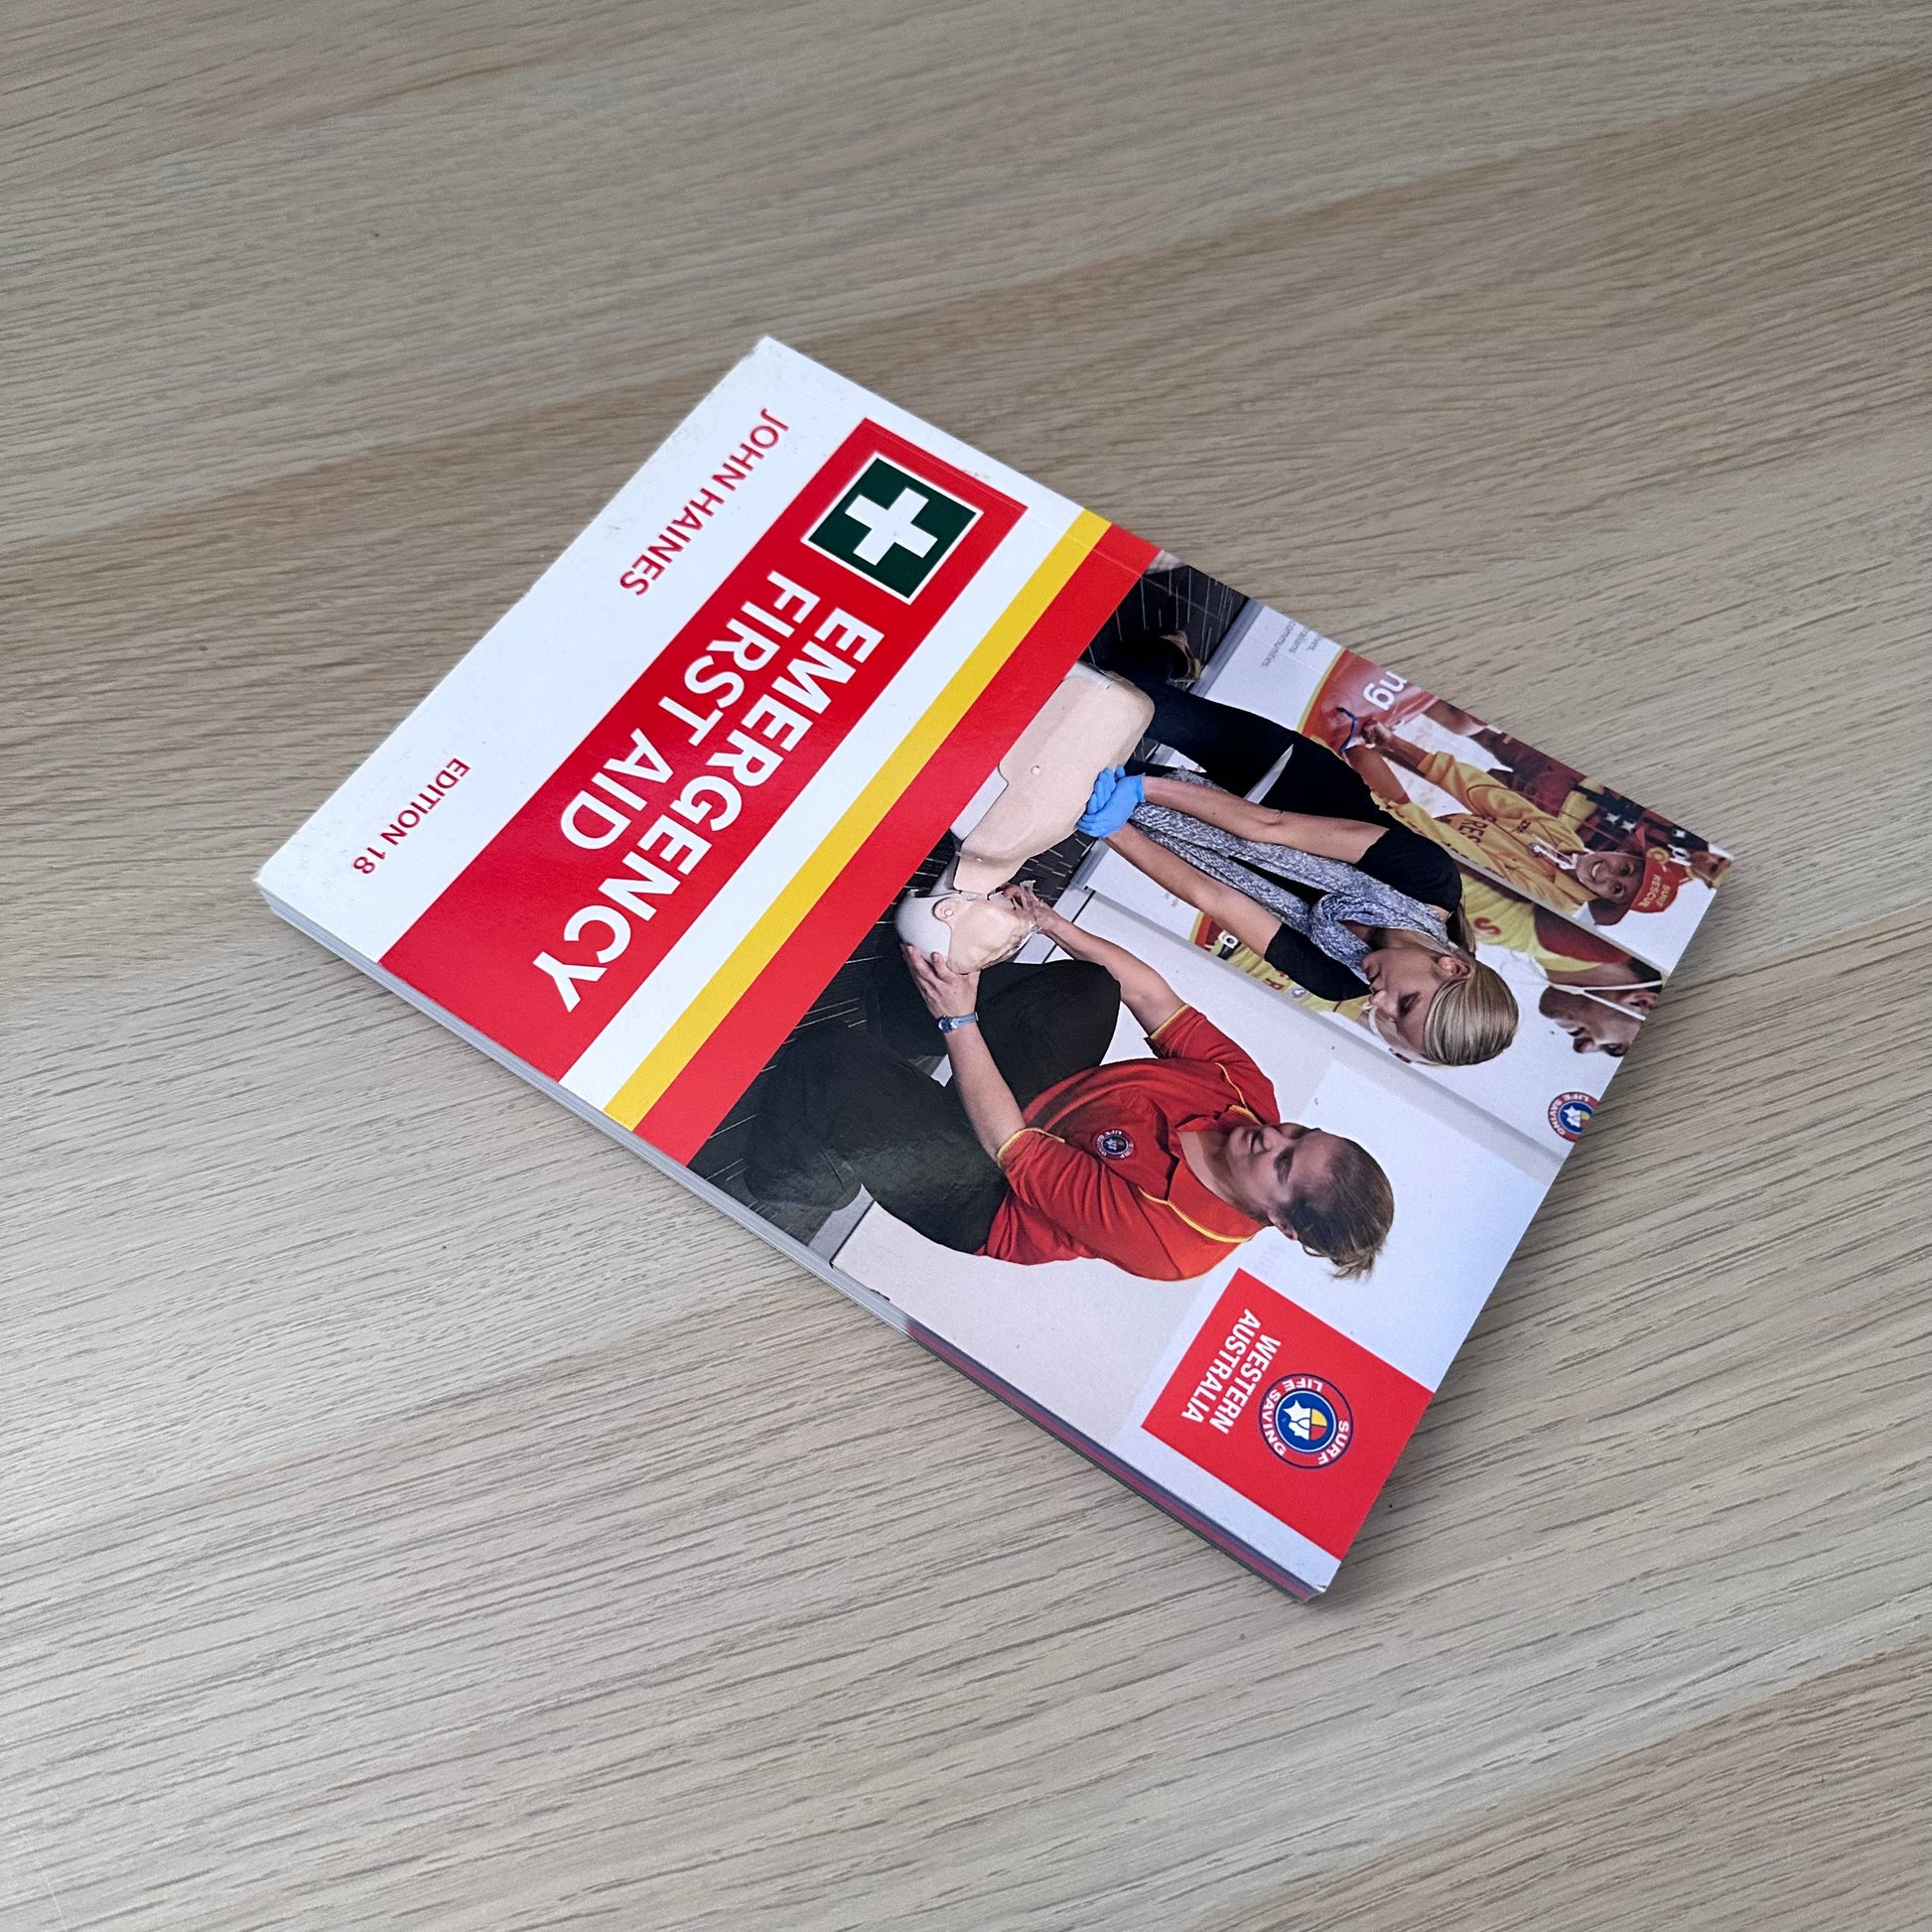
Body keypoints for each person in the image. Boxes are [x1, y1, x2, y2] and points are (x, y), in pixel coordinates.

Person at [746, 887, 1394, 1283]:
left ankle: (802, 1178)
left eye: (1282, 1163)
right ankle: (900, 1001)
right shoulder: (1248, 1097)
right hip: (1049, 1113)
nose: (1272, 1134)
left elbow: (1010, 1148)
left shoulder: (1173, 1244)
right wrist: (1054, 925)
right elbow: (1152, 997)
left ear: (1281, 1222)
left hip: (983, 1193)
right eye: (1299, 1132)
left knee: (828, 1061)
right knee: (1091, 988)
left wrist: (959, 1018)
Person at [1066, 672, 1517, 1066]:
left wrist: (1113, 829)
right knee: (1129, 699)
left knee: (1076, 768)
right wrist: (1142, 788)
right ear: (1452, 967)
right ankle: (1160, 659)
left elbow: (1215, 897)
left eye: (1393, 1022)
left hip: (1206, 840)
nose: (1380, 1002)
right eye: (1406, 1003)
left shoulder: (1336, 980)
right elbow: (1269, 826)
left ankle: (1159, 659)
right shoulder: (1430, 880)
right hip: (1284, 779)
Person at [1343, 719, 1687, 925]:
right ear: (1625, 852)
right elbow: (1483, 791)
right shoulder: (1566, 839)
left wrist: (1394, 805)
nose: (1607, 874)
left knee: (1354, 762)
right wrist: (1393, 742)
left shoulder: (1550, 902)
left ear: (1607, 900)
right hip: (1426, 822)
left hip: (1406, 847)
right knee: (1360, 749)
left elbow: (1452, 855)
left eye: (1616, 889)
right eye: (1624, 869)